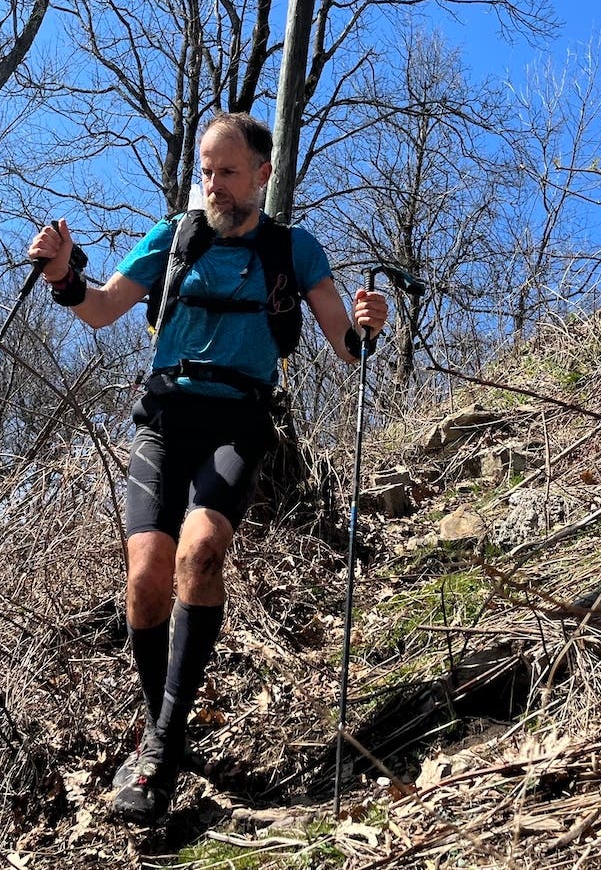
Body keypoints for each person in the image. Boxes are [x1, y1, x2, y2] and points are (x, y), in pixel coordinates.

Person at [28, 112, 388, 824]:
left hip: (240, 418)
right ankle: (166, 721)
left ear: (262, 174)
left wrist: (367, 324)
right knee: (144, 574)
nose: (213, 185)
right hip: (163, 418)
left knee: (199, 554)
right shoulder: (175, 235)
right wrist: (65, 275)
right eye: (205, 170)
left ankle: (162, 742)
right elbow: (101, 311)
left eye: (227, 171)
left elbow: (347, 348)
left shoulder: (294, 250)